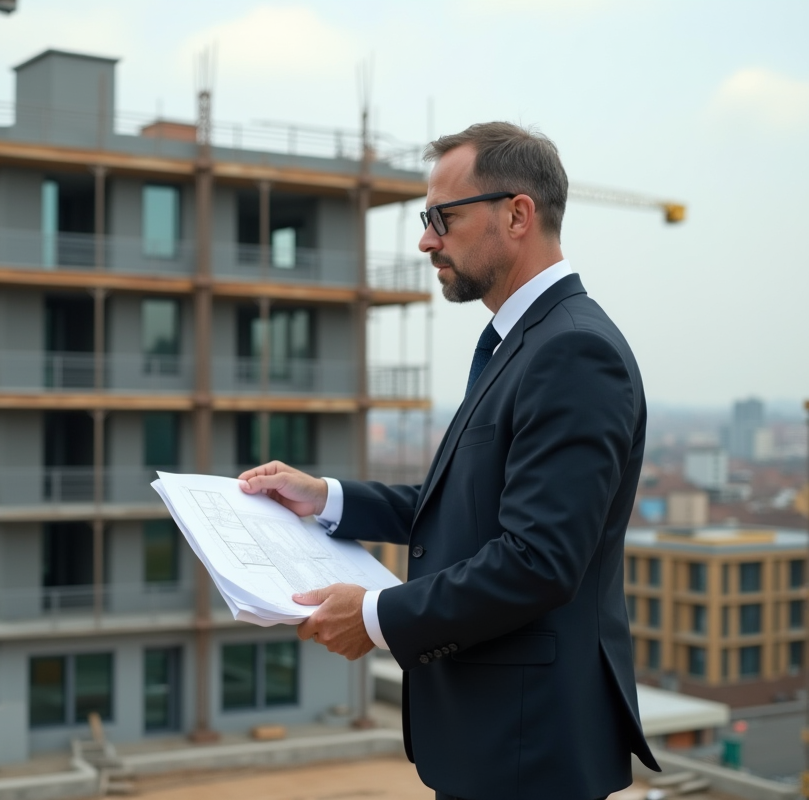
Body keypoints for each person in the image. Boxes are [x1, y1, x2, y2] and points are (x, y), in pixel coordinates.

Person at [238, 122, 660, 800]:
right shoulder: (519, 342)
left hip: (529, 752)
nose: (426, 240)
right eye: (424, 219)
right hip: (497, 742)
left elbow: (538, 560)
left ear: (517, 214)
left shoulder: (574, 351)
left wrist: (376, 616)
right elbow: (468, 507)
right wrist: (327, 498)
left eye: (443, 217)